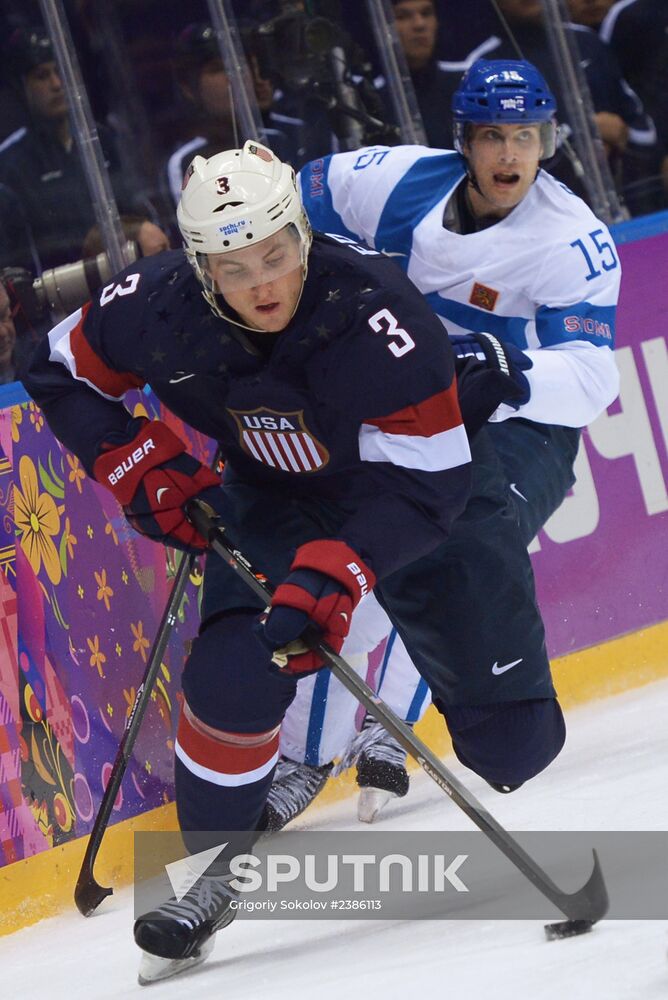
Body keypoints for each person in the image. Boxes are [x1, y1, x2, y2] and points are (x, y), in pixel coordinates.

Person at [25, 138, 540, 982]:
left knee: (516, 745)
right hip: (273, 497)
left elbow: (433, 483)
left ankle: (384, 664)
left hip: (406, 493)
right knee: (229, 676)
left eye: (277, 253)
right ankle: (208, 877)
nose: (262, 281)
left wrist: (344, 570)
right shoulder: (156, 307)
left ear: (305, 235)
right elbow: (49, 366)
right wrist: (136, 463)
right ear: (199, 269)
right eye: (233, 267)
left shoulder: (378, 310)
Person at [264, 57, 622, 830]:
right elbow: (290, 197)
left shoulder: (570, 242)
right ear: (463, 140)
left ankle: (387, 727)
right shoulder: (390, 181)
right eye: (493, 136)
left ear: (548, 141)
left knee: (444, 547)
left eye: (526, 137)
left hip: (521, 430)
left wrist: (511, 366)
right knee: (383, 549)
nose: (509, 155)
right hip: (408, 410)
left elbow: (594, 380)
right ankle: (308, 752)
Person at [477, 0, 659, 214]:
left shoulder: (586, 41)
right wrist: (578, 134)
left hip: (629, 202)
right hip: (546, 217)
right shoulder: (484, 69)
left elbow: (646, 133)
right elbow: (496, 168)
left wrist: (623, 132)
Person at [0, 27, 141, 273]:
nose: (56, 84)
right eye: (42, 76)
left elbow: (134, 207)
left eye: (61, 72)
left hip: (123, 276)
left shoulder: (101, 138)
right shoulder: (9, 163)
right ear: (21, 88)